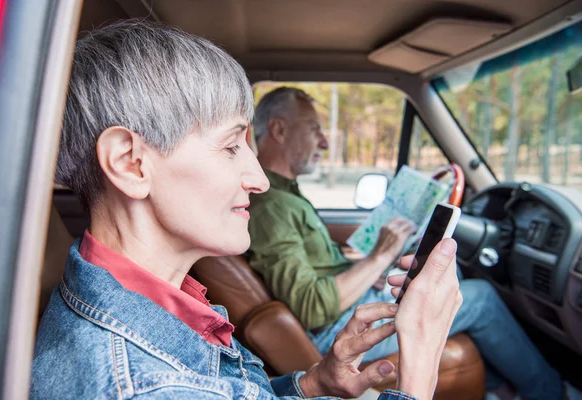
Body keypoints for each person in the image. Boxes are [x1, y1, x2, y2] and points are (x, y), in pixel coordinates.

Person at [31, 20, 464, 400]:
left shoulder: (142, 300)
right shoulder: (145, 386)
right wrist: (420, 360)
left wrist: (313, 385)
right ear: (130, 163)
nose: (258, 180)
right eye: (230, 145)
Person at [248, 87, 581, 400]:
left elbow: (313, 275)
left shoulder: (285, 195)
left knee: (450, 283)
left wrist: (366, 273)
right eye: (314, 129)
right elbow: (310, 307)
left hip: (343, 310)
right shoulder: (271, 205)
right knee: (482, 299)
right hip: (330, 331)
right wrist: (379, 257)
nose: (323, 141)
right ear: (278, 130)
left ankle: (499, 387)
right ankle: (554, 394)